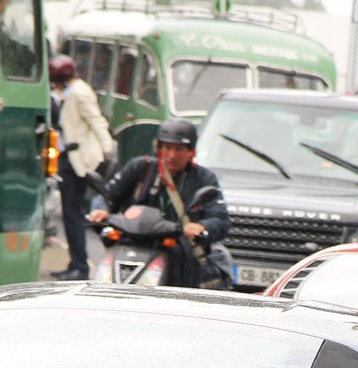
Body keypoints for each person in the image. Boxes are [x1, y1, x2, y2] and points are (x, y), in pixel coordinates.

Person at [88, 118, 231, 289]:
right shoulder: (140, 168)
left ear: (191, 153)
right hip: (132, 241)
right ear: (159, 148)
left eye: (179, 149)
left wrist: (201, 227)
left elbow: (220, 218)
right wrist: (100, 209)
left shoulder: (204, 178)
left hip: (176, 247)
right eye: (167, 148)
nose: (172, 155)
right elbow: (107, 195)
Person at [50, 54, 114, 280]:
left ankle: (80, 267)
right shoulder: (68, 92)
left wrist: (108, 149)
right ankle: (75, 264)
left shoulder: (80, 92)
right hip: (68, 158)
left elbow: (97, 121)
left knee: (73, 213)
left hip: (79, 162)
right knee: (70, 213)